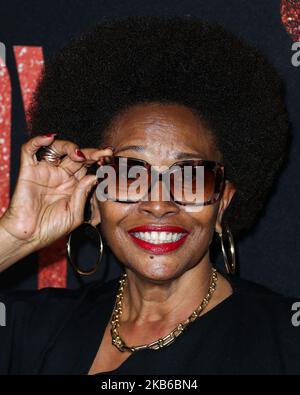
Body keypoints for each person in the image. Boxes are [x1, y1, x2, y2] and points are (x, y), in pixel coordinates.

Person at [0, 16, 299, 375]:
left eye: (190, 177)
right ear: (93, 200)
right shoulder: (30, 327)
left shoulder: (285, 340)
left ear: (223, 204)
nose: (158, 203)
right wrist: (16, 236)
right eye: (130, 174)